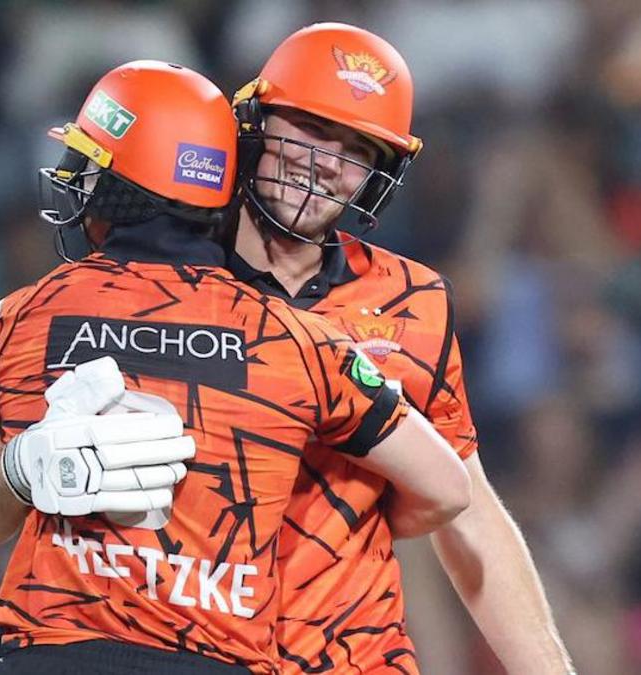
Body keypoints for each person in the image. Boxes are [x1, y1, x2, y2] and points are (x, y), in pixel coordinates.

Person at [0, 60, 470, 675]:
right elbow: (447, 487)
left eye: (89, 166)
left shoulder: (35, 311)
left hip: (52, 654)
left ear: (117, 184)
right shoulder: (306, 341)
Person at [220, 23, 574, 674]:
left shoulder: (413, 302)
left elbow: (470, 512)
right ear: (257, 123)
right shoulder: (163, 284)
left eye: (355, 148)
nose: (325, 161)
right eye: (310, 127)